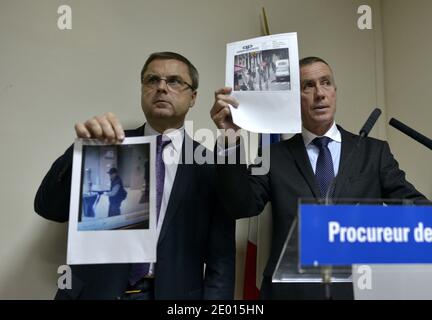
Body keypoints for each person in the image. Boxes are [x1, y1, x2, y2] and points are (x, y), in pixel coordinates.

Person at [210, 56, 429, 299]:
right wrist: (230, 138)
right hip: (292, 293)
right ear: (295, 99)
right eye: (308, 86)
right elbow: (241, 205)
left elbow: (417, 210)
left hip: (358, 290)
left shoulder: (373, 152)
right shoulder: (274, 155)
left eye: (326, 83)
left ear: (335, 92)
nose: (320, 93)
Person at [34, 52, 235, 300]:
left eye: (174, 81)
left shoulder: (213, 165)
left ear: (193, 97)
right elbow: (48, 208)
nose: (161, 87)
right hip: (96, 292)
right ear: (142, 89)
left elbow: (221, 258)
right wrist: (79, 150)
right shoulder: (105, 143)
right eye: (152, 80)